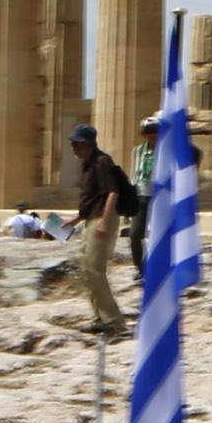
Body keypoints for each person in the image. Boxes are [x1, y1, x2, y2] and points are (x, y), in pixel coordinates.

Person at [72, 124, 136, 335]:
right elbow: (91, 199)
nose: (74, 148)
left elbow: (113, 192)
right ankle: (99, 315)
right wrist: (74, 220)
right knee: (84, 269)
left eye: (77, 144)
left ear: (88, 144)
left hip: (102, 220)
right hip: (91, 219)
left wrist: (105, 222)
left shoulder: (102, 161)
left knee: (94, 269)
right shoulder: (87, 165)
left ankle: (114, 320)